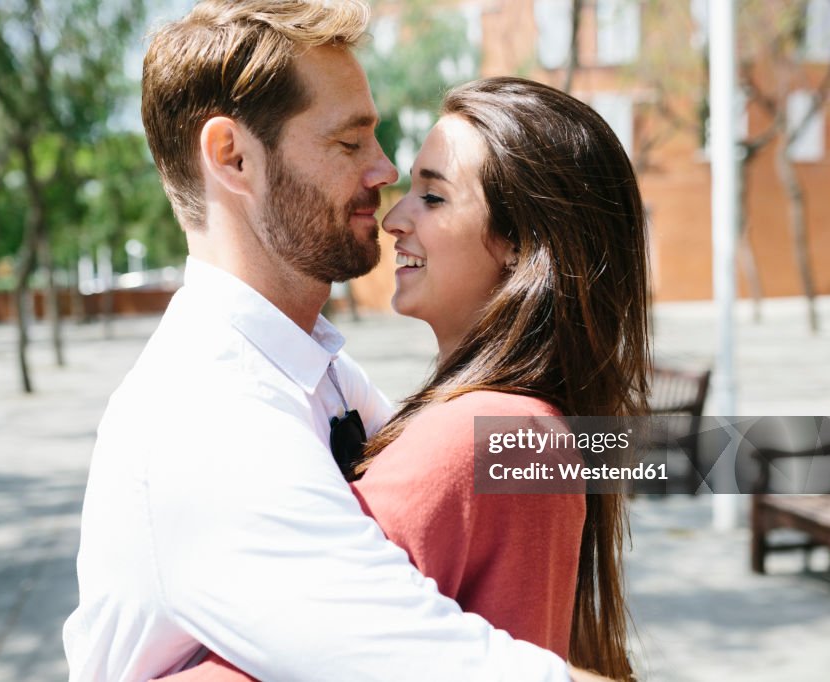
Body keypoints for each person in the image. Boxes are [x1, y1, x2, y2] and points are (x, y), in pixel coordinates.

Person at [63, 2, 585, 680]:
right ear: (234, 158)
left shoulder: (315, 372)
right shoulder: (205, 415)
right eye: (350, 142)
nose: (384, 170)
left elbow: (495, 462)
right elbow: (439, 665)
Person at [163, 78, 649, 682]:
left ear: (521, 246)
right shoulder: (529, 428)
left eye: (434, 197)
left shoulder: (478, 435)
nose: (394, 218)